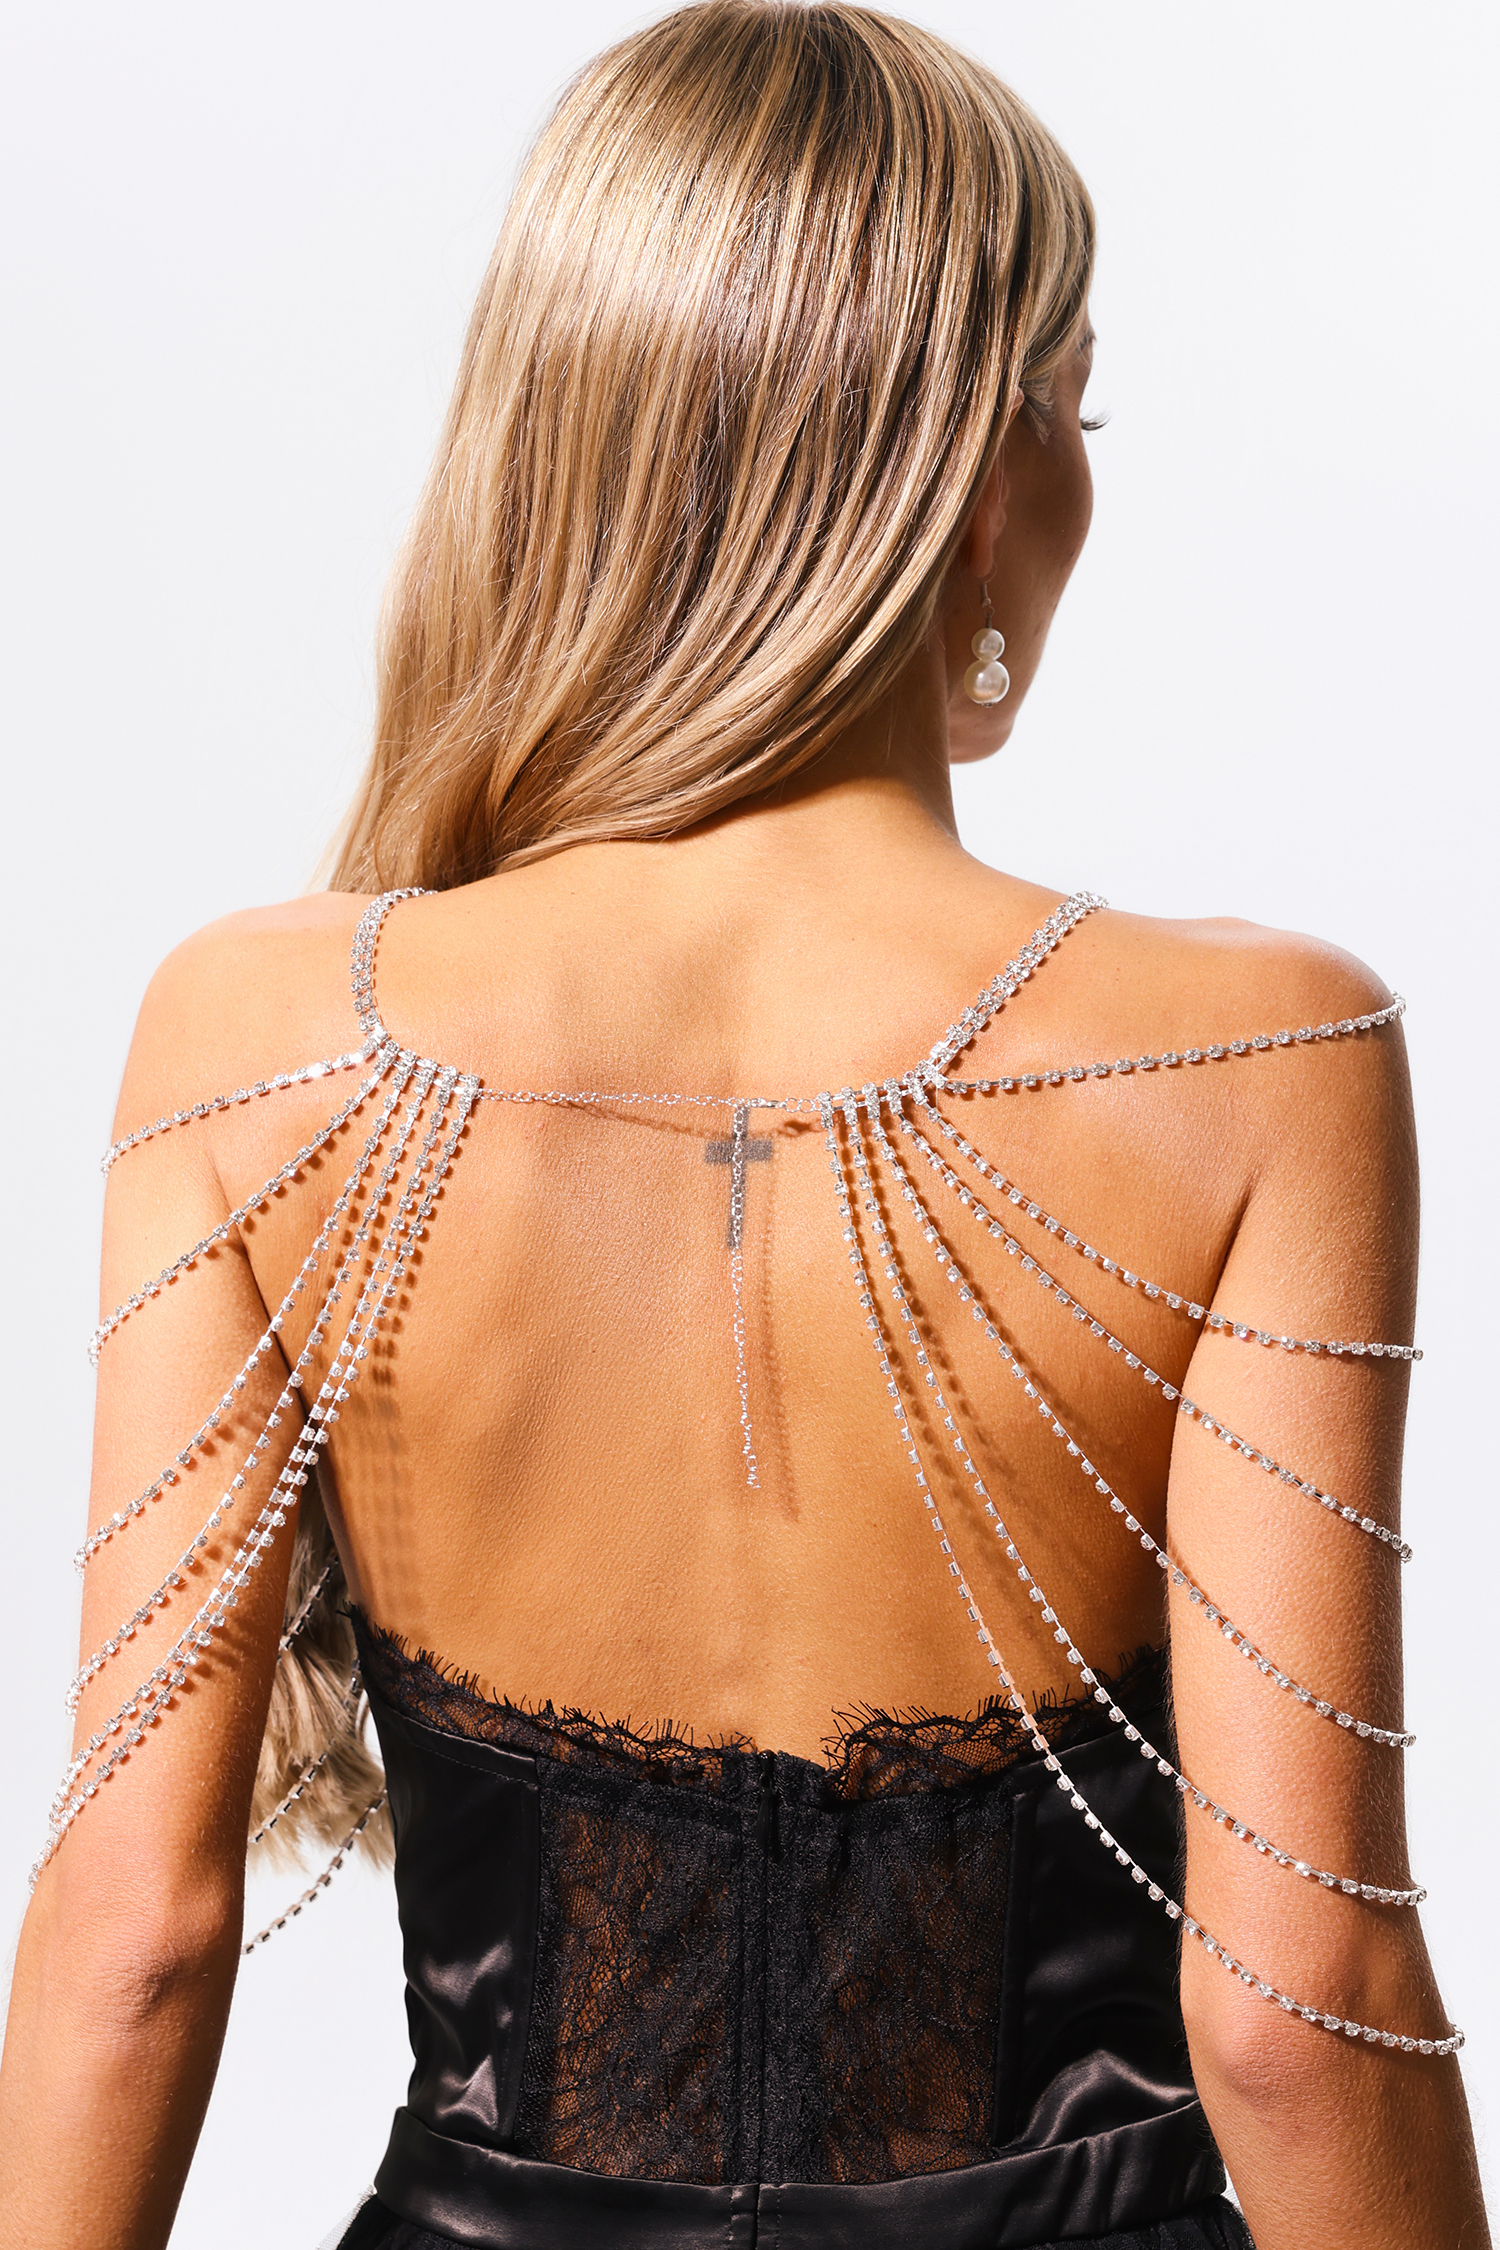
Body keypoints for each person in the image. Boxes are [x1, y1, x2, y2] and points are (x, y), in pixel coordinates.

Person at [0, 6, 1487, 2247]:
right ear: (978, 476)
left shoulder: (269, 1032)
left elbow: (133, 1938)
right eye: (1076, 407)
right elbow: (1299, 2006)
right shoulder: (1253, 1055)